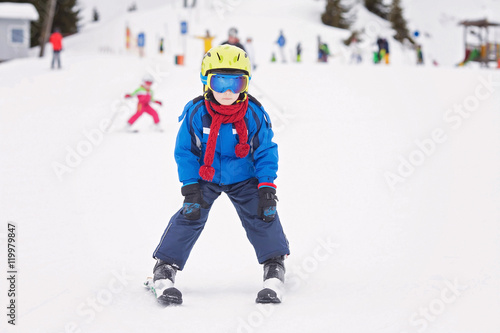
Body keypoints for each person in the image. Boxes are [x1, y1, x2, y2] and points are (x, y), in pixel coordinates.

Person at [151, 45, 290, 306]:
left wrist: (266, 186)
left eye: (236, 82)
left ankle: (274, 263)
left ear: (246, 83)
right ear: (206, 80)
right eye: (220, 81)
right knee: (191, 214)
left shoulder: (253, 113)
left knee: (262, 213)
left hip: (244, 177)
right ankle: (165, 265)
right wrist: (191, 186)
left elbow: (265, 150)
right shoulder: (196, 113)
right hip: (207, 176)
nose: (228, 91)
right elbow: (185, 152)